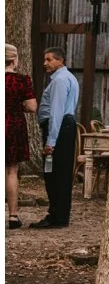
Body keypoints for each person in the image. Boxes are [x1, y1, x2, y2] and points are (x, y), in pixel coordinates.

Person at [33, 47, 79, 229]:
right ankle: (60, 214)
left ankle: (56, 216)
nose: (45, 63)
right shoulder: (68, 78)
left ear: (60, 61)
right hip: (65, 127)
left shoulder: (60, 80)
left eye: (49, 59)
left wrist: (51, 141)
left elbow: (56, 112)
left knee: (55, 174)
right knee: (61, 173)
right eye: (45, 59)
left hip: (60, 128)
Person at [5, 44, 38, 229]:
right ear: (13, 60)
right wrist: (17, 106)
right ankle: (13, 215)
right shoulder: (22, 80)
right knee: (11, 171)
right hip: (13, 126)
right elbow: (32, 106)